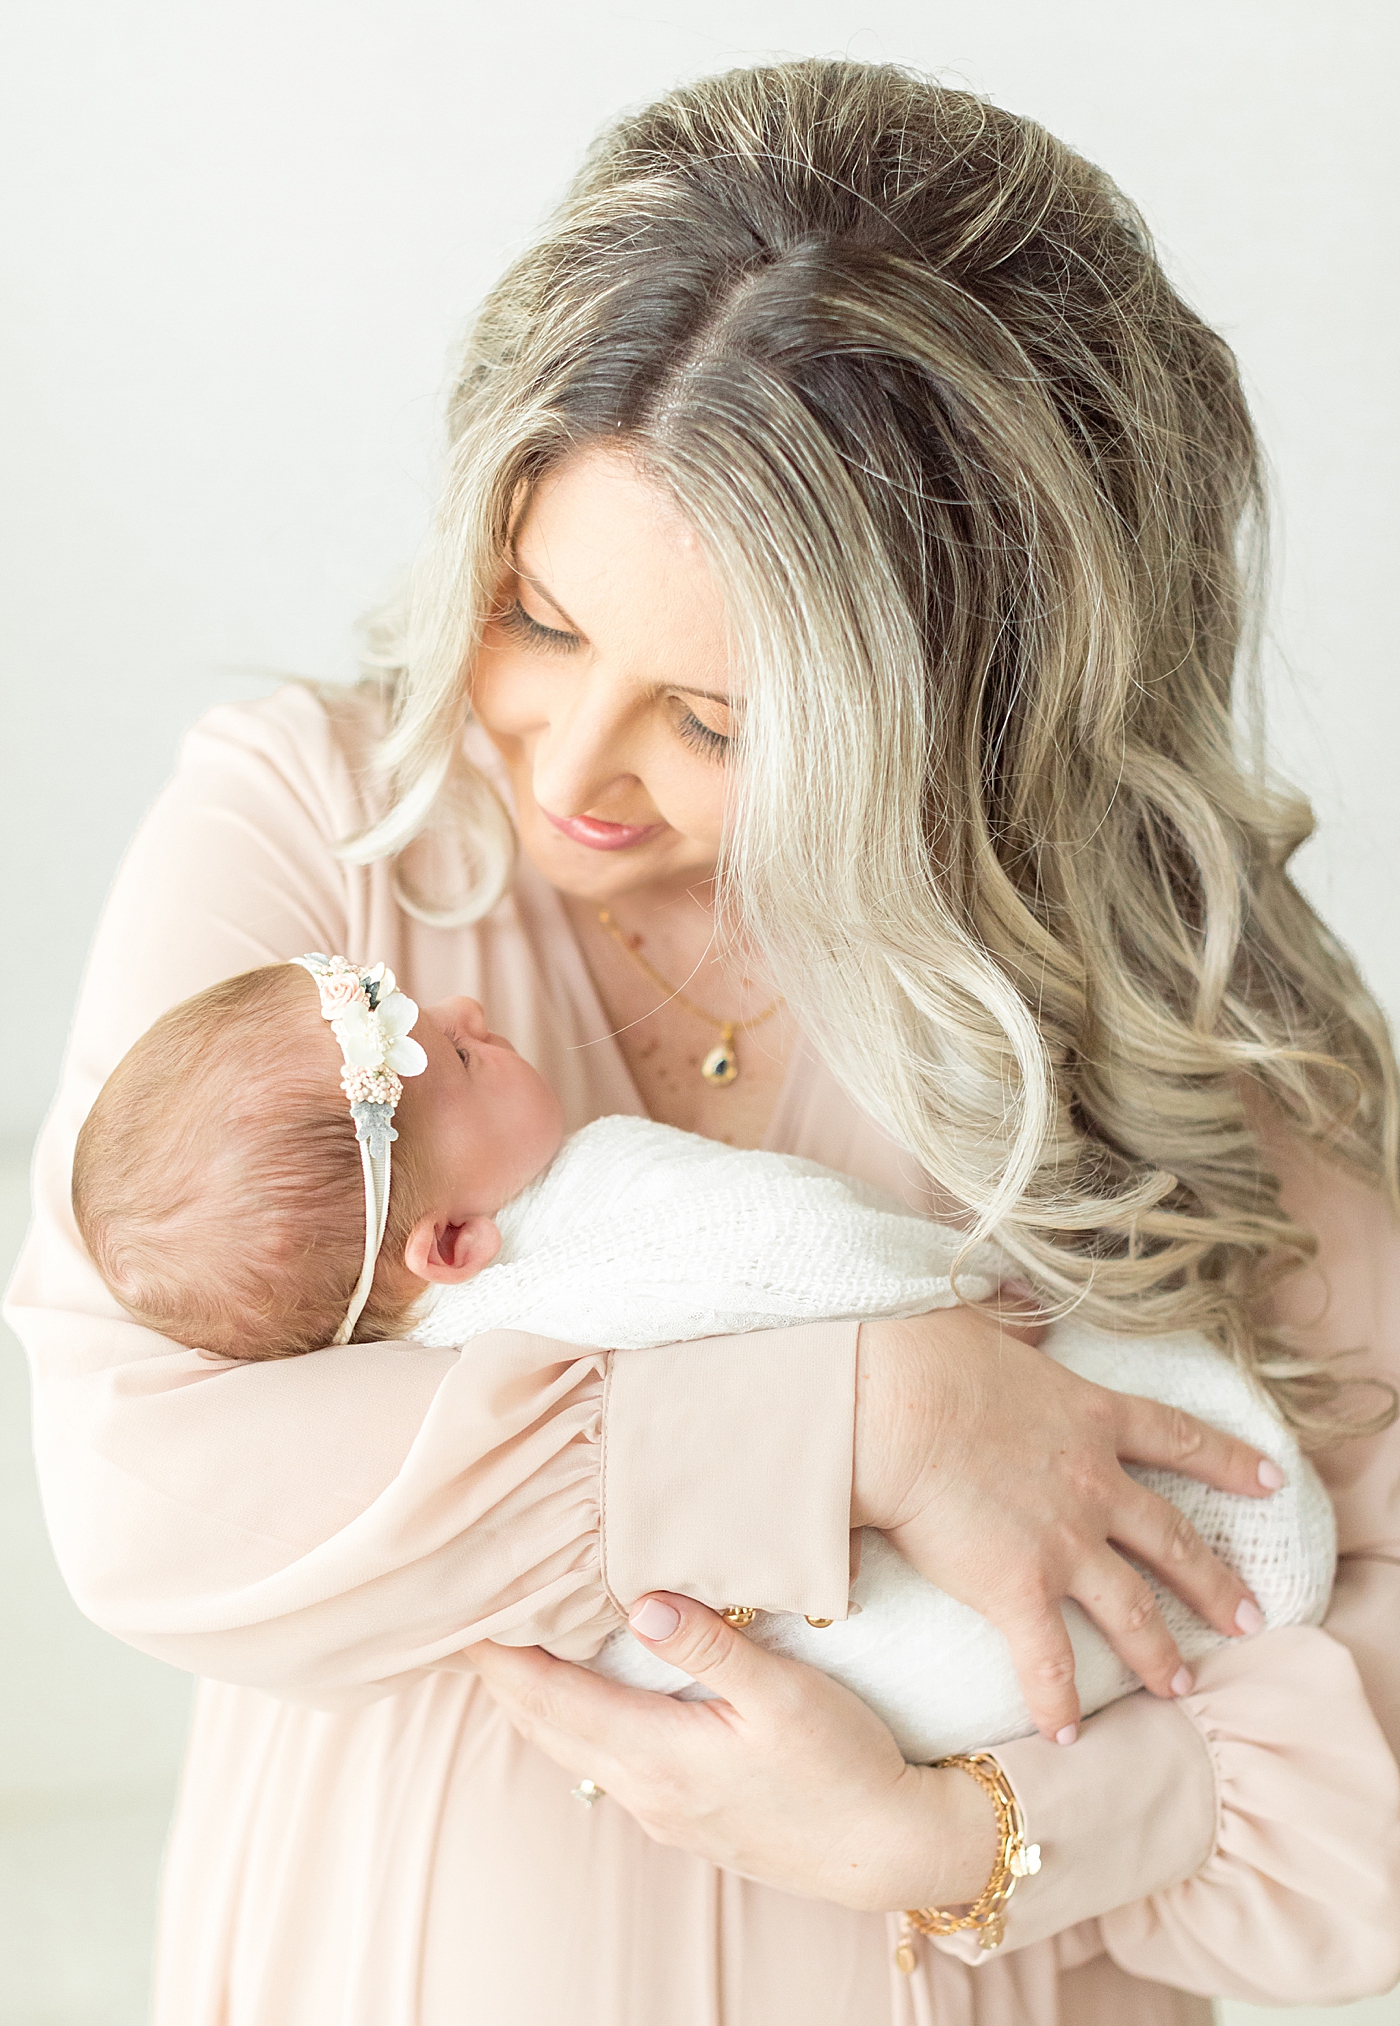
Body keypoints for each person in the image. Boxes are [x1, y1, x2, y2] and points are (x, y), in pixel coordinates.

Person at [8, 55, 1400, 2026]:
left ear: (969, 719)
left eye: (722, 721)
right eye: (536, 616)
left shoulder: (1172, 1000)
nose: (567, 766)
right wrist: (870, 1413)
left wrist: (962, 1833)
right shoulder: (319, 835)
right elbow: (144, 1491)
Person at [67, 954, 1335, 1768]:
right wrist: (954, 1300)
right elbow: (790, 1244)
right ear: (448, 1240)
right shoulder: (601, 1194)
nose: (466, 1006)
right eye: (453, 1057)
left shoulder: (436, 1370)